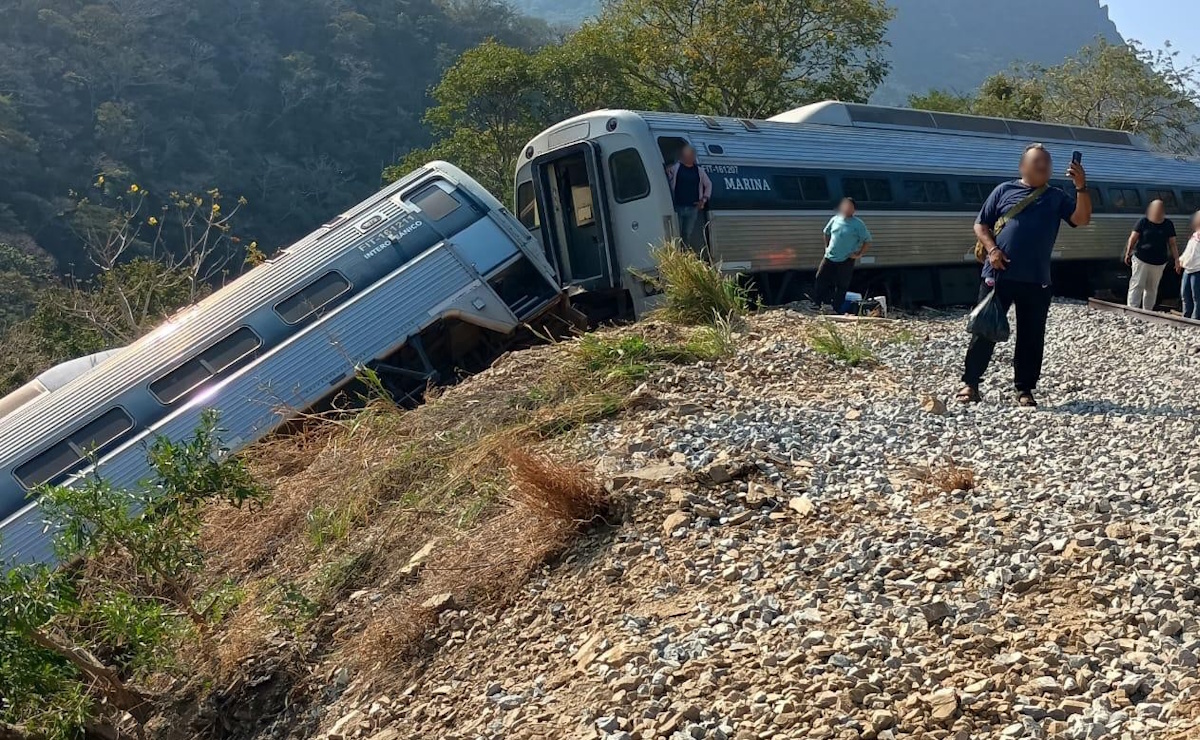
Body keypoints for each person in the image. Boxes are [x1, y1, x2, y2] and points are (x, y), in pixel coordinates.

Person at [958, 143, 1092, 407]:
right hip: (998, 275)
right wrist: (992, 249)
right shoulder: (1003, 190)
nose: (1043, 166)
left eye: (1047, 162)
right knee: (984, 329)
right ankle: (970, 383)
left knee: (1032, 336)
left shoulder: (1056, 196)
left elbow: (1082, 219)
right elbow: (980, 224)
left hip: (1037, 278)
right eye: (1037, 161)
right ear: (1023, 166)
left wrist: (1081, 187)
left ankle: (1024, 389)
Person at [815, 197, 872, 312]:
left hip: (846, 259)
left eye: (850, 206)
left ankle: (836, 308)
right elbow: (826, 232)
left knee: (841, 285)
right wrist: (827, 247)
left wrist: (859, 254)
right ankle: (819, 304)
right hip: (829, 256)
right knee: (820, 279)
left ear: (854, 209)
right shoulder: (835, 219)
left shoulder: (858, 224)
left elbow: (868, 240)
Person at [1124, 200, 1179, 311]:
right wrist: (1128, 252)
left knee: (1152, 288)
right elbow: (1133, 238)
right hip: (1141, 259)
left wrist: (1177, 259)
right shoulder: (1143, 222)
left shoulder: (1168, 224)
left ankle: (1147, 311)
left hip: (1159, 261)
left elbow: (1172, 243)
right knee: (1137, 284)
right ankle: (1132, 309)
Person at [666, 145, 712, 250]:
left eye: (690, 155)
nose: (687, 157)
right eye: (685, 155)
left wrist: (704, 200)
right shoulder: (677, 167)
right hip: (678, 206)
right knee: (676, 233)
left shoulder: (699, 171)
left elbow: (708, 184)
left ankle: (685, 254)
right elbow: (669, 174)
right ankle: (676, 255)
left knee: (687, 233)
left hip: (693, 207)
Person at [1179, 211, 1200, 319]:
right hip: (1188, 269)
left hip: (1198, 270)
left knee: (1197, 296)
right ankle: (1186, 317)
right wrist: (1180, 260)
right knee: (1185, 295)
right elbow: (1189, 250)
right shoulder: (1194, 235)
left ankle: (1195, 319)